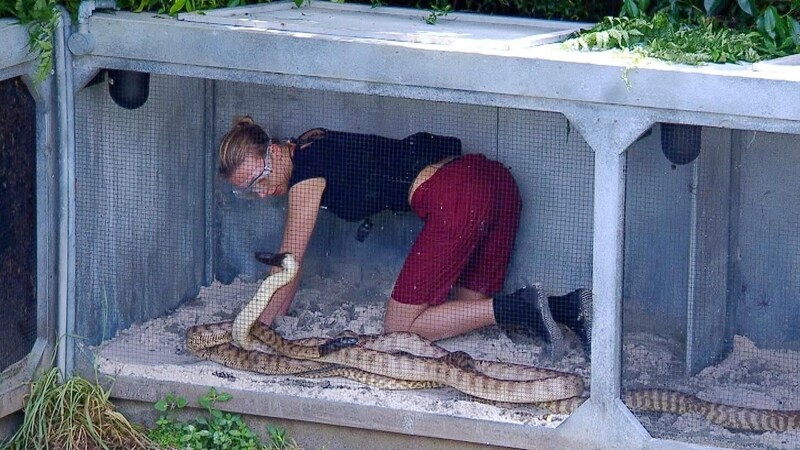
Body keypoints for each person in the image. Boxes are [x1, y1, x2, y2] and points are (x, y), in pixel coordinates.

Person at [217, 116, 591, 354]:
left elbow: (288, 265)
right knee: (463, 309)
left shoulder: (306, 170)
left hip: (458, 195)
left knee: (400, 326)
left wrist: (256, 326)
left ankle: (524, 304)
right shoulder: (314, 141)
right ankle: (570, 308)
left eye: (260, 177)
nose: (261, 191)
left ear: (276, 151)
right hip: (494, 182)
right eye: (249, 190)